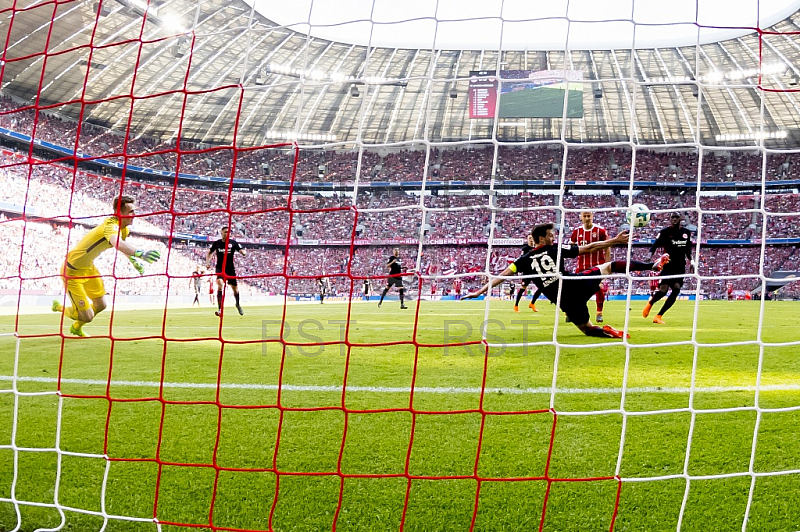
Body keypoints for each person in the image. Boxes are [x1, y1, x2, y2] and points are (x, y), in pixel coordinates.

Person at [465, 223, 669, 339]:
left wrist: (479, 292)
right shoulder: (555, 249)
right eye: (550, 235)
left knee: (587, 329)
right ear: (542, 239)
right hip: (575, 284)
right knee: (612, 266)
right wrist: (614, 241)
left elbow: (501, 276)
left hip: (564, 300)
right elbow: (589, 248)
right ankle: (650, 266)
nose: (553, 237)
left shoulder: (523, 259)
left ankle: (609, 332)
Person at [51, 195, 160, 337]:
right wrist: (140, 253)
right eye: (131, 212)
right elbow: (116, 243)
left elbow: (121, 246)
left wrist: (133, 261)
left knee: (101, 305)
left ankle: (76, 327)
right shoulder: (111, 224)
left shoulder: (124, 229)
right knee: (87, 316)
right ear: (119, 213)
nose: (135, 215)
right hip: (71, 271)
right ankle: (59, 307)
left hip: (88, 268)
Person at [643, 212, 695, 324]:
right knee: (663, 290)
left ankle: (658, 316)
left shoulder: (686, 233)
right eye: (673, 217)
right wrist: (649, 256)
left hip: (680, 266)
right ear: (670, 219)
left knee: (676, 289)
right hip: (668, 265)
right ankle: (650, 304)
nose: (675, 219)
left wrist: (692, 262)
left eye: (677, 217)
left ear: (680, 219)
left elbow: (688, 249)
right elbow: (655, 244)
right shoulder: (665, 232)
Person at [570, 211, 610, 323]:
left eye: (589, 216)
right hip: (581, 266)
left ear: (592, 217)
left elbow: (607, 247)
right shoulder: (576, 231)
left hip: (597, 265)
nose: (587, 218)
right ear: (581, 217)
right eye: (585, 216)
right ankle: (571, 312)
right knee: (574, 289)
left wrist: (607, 264)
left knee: (599, 288)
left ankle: (599, 313)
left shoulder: (600, 231)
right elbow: (571, 246)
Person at [206, 226, 246, 317]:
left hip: (230, 269)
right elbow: (209, 252)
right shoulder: (217, 243)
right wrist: (207, 262)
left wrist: (243, 253)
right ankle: (219, 309)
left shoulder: (233, 243)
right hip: (220, 268)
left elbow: (241, 250)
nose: (227, 234)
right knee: (220, 284)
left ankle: (237, 304)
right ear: (221, 232)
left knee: (235, 289)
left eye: (228, 232)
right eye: (225, 232)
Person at [513, 233, 542, 313]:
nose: (531, 240)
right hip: (527, 272)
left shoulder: (537, 248)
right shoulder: (525, 248)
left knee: (542, 287)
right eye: (529, 238)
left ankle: (532, 303)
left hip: (535, 272)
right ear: (527, 240)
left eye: (532, 238)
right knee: (522, 289)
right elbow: (521, 259)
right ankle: (516, 306)